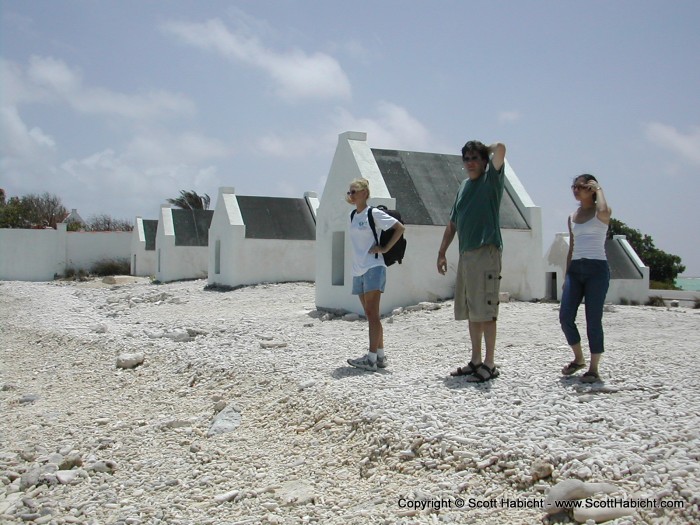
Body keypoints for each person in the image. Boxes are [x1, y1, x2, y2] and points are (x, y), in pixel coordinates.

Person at [437, 140, 506, 382]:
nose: (470, 162)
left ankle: (490, 363)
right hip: (466, 254)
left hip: (486, 252)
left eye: (475, 157)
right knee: (472, 310)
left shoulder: (491, 181)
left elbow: (501, 149)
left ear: (484, 161)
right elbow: (453, 222)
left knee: (486, 311)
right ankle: (476, 360)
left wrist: (488, 148)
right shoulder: (464, 187)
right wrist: (442, 251)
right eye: (466, 158)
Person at [346, 178, 405, 372]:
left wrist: (386, 247)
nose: (351, 195)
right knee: (371, 315)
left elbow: (399, 228)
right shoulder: (353, 215)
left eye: (354, 191)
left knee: (372, 314)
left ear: (364, 193)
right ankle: (379, 356)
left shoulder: (374, 213)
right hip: (358, 270)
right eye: (350, 192)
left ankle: (370, 359)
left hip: (374, 267)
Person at [559, 174, 611, 383]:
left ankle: (593, 367)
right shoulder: (572, 216)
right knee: (565, 316)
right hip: (576, 269)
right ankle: (578, 358)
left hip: (597, 268)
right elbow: (571, 247)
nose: (576, 190)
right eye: (574, 186)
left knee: (593, 319)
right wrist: (566, 274)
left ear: (591, 188)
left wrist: (600, 190)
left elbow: (605, 211)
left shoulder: (601, 212)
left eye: (581, 187)